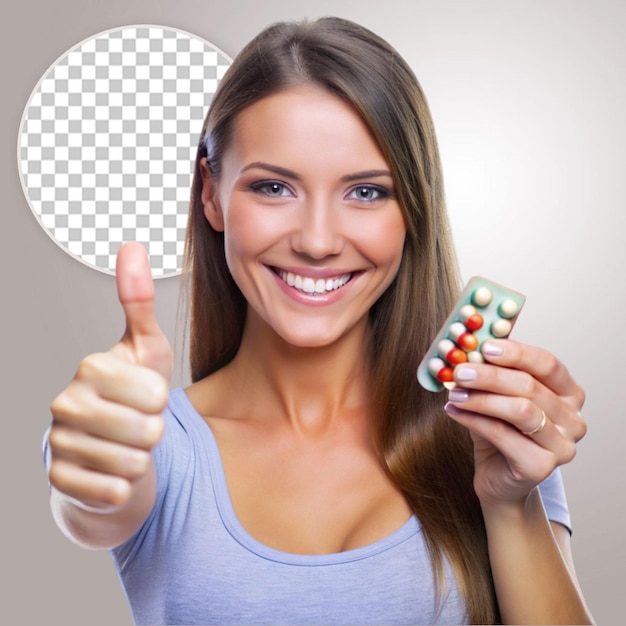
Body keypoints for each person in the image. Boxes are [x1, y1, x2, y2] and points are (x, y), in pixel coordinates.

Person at [45, 16, 594, 625]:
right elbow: (95, 502)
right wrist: (90, 472)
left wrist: (509, 504)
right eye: (275, 187)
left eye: (366, 193)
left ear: (413, 209)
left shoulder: (491, 438)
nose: (317, 241)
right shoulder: (147, 441)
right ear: (211, 194)